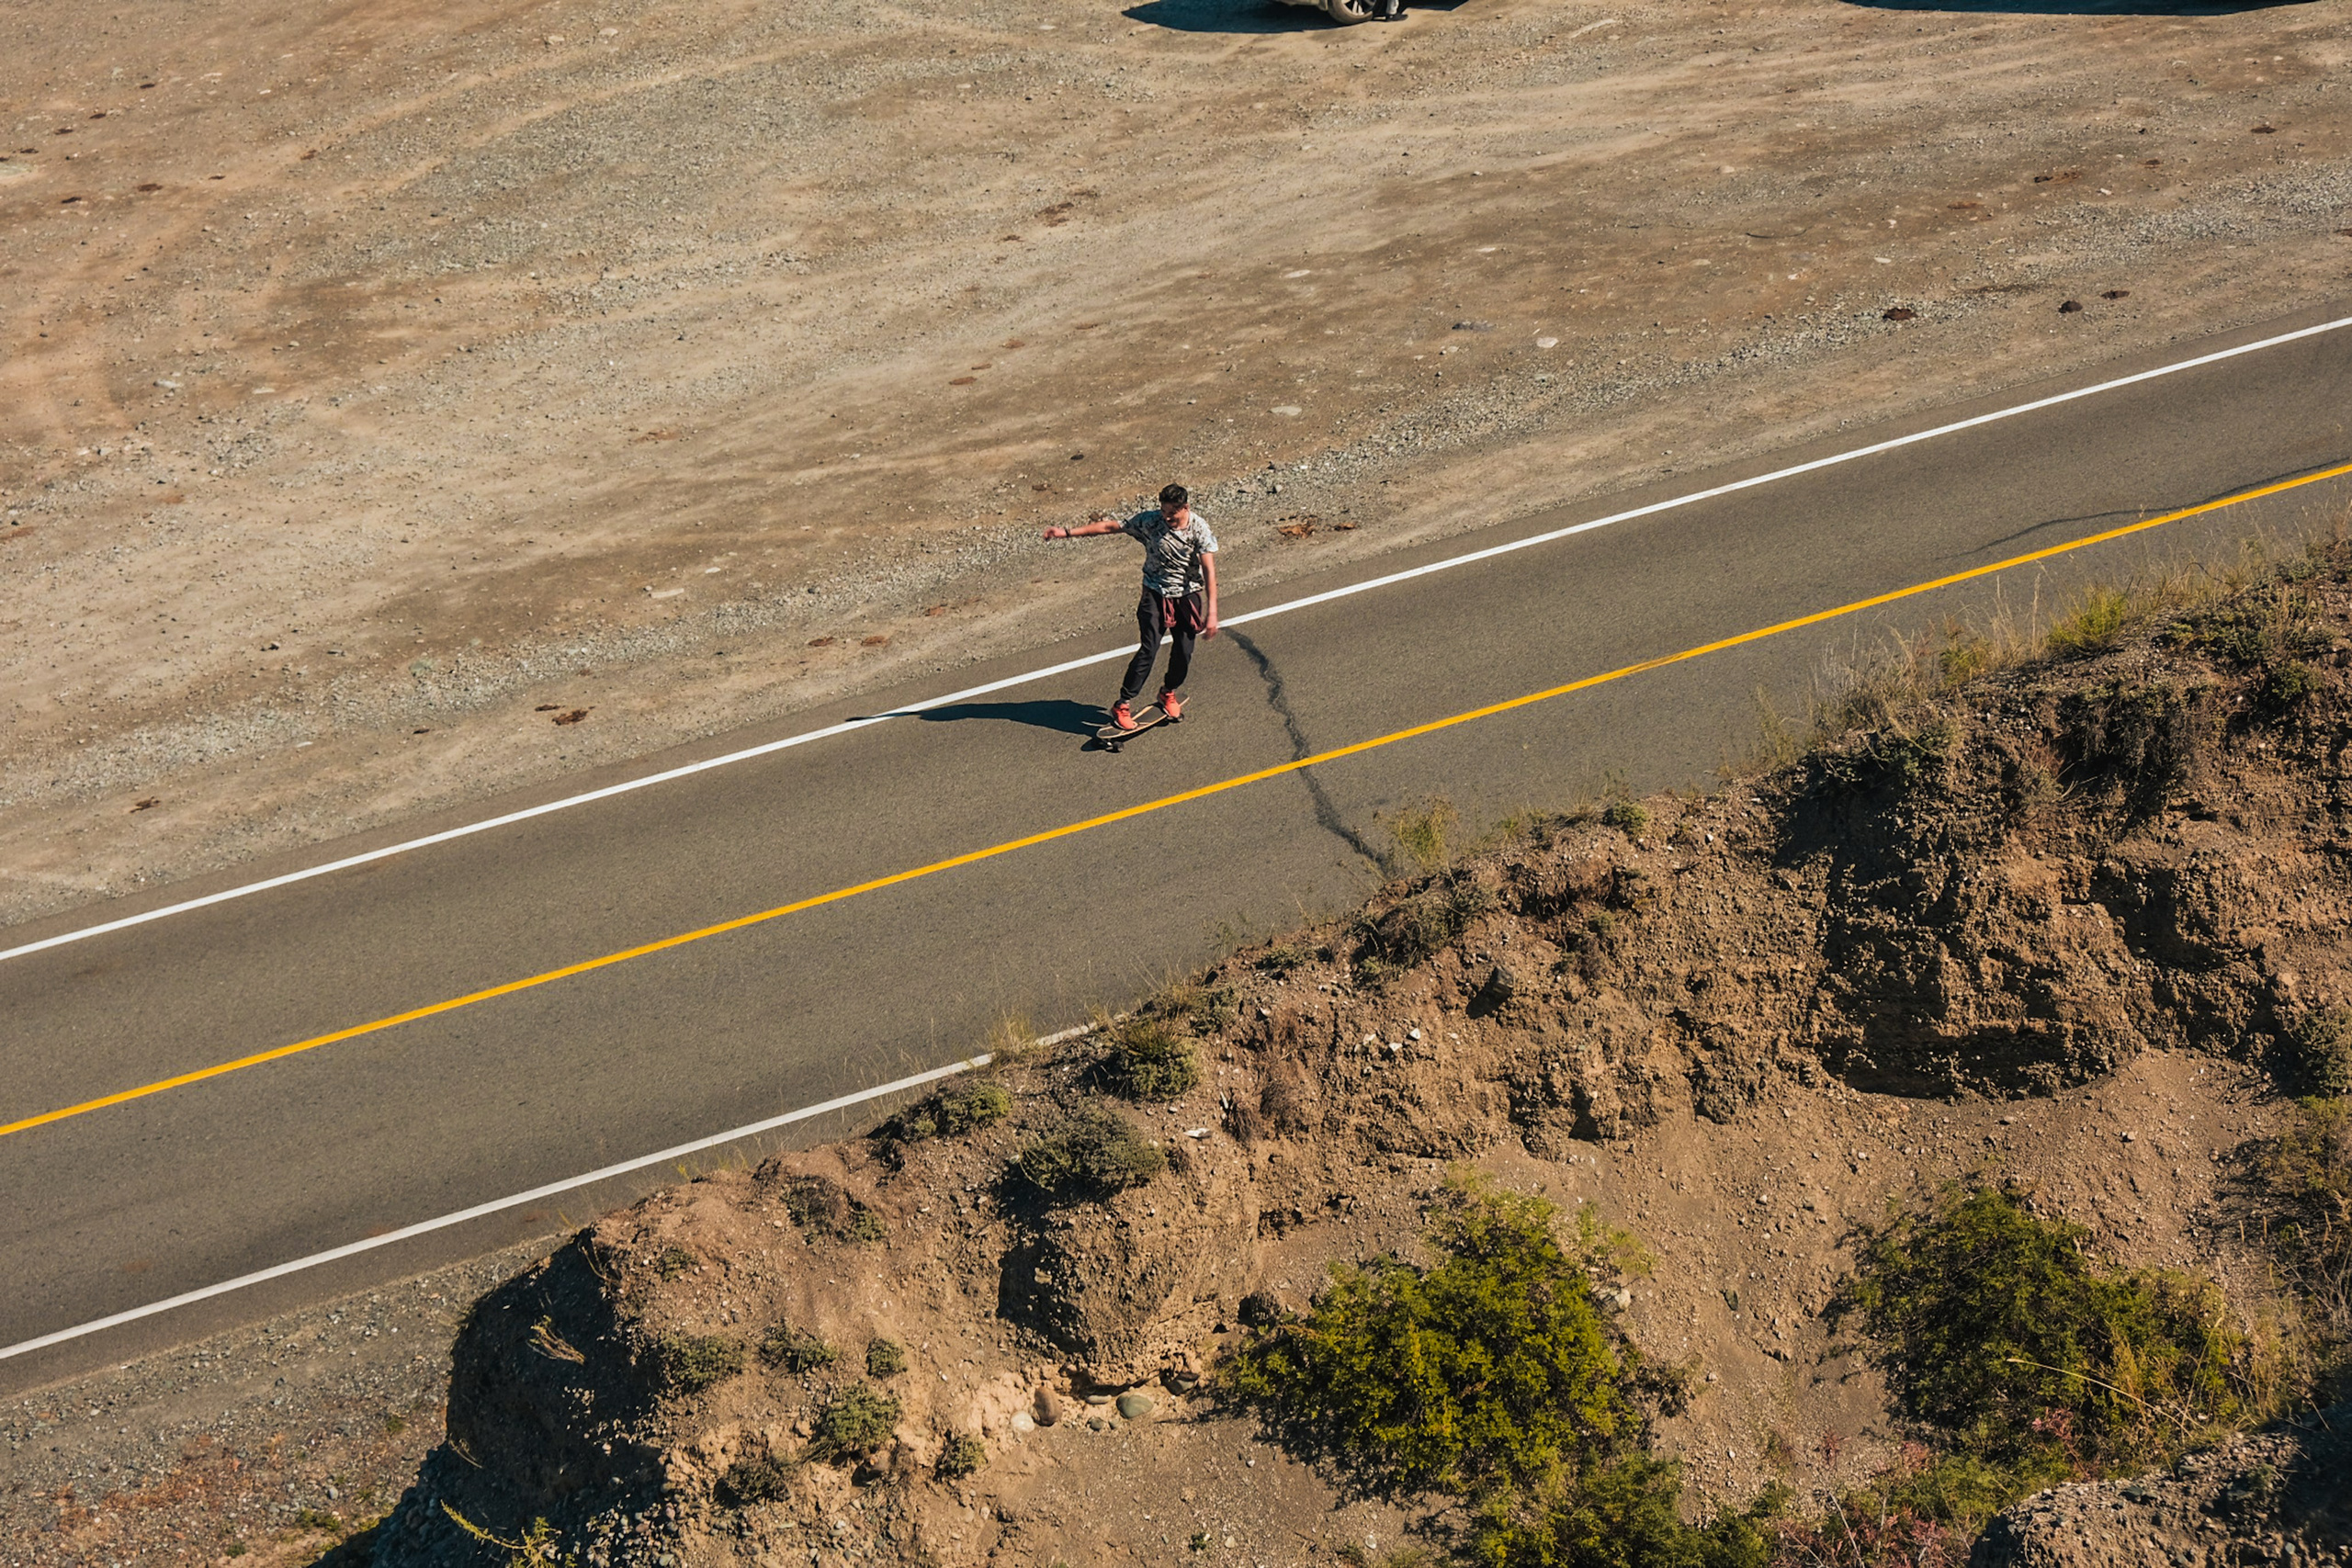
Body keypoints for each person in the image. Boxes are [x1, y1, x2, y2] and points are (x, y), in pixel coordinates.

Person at [1042, 482, 1219, 731]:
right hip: (1155, 593)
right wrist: (1067, 532)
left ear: (1185, 508)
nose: (1166, 517)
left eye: (1172, 513)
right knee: (1149, 649)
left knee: (1184, 651)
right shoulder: (1150, 521)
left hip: (1186, 595)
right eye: (1164, 511)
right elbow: (1110, 526)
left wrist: (1212, 614)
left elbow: (1209, 572)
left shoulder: (1199, 528)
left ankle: (1168, 693)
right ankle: (1123, 704)